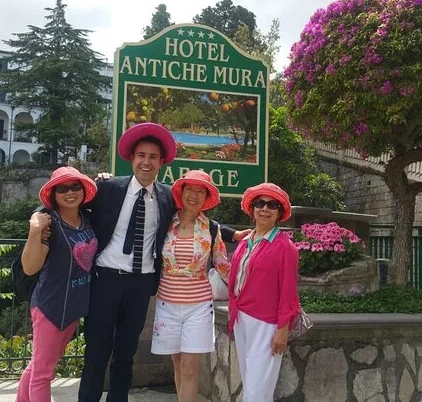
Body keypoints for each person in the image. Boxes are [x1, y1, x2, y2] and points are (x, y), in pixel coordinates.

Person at [78, 122, 246, 402]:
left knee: (126, 354)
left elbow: (199, 218)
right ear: (132, 158)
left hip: (141, 284)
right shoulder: (107, 188)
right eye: (141, 155)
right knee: (96, 352)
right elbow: (69, 201)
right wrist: (40, 215)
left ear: (161, 163)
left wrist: (234, 234)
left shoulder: (167, 197)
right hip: (105, 279)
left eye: (153, 157)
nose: (146, 162)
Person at [16, 166, 98, 402]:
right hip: (50, 307)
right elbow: (30, 267)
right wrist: (34, 230)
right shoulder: (49, 225)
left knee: (41, 365)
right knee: (43, 373)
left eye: (75, 186)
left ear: (83, 190)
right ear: (54, 195)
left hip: (73, 306)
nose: (70, 192)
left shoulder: (87, 218)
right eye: (62, 189)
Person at [151, 170, 230, 402]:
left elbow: (223, 265)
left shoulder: (211, 228)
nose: (194, 195)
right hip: (167, 305)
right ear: (181, 192)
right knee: (177, 362)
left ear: (206, 197)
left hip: (198, 306)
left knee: (189, 366)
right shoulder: (165, 223)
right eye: (190, 189)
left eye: (200, 191)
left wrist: (250, 285)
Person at [227, 183, 301, 402]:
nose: (265, 209)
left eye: (272, 205)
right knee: (249, 380)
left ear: (279, 213)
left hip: (266, 322)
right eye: (259, 203)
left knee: (258, 389)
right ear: (252, 209)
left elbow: (288, 290)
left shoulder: (284, 246)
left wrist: (282, 328)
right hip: (241, 318)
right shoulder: (245, 242)